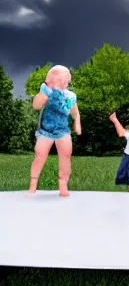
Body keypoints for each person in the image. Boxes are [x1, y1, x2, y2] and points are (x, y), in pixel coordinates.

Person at [29, 65, 81, 197]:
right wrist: (45, 91)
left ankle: (63, 183)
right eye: (58, 81)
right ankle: (33, 183)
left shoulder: (70, 96)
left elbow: (74, 112)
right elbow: (36, 105)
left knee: (66, 156)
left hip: (63, 131)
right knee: (40, 155)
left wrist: (77, 122)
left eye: (64, 81)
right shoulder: (47, 92)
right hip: (46, 131)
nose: (62, 84)